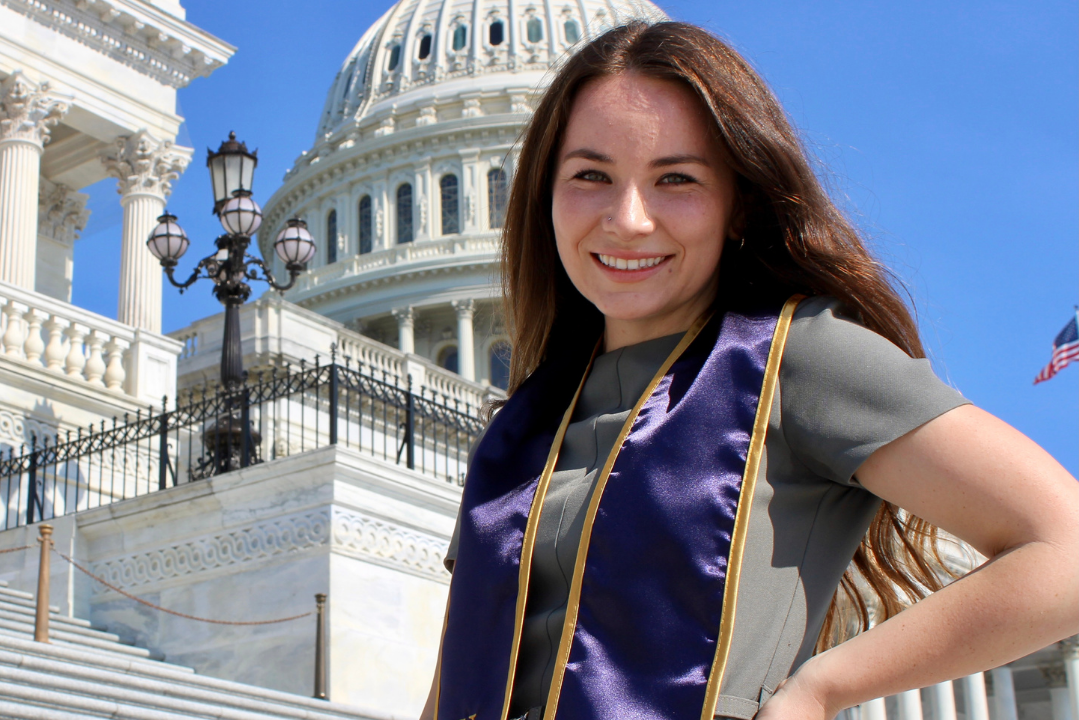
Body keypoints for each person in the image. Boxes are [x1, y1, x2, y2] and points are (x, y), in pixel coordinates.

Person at [420, 20, 1079, 720]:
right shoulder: (519, 431)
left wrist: (820, 690)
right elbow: (449, 689)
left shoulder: (799, 359)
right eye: (591, 176)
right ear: (544, 197)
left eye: (676, 179)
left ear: (738, 204)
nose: (628, 219)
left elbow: (1065, 547)